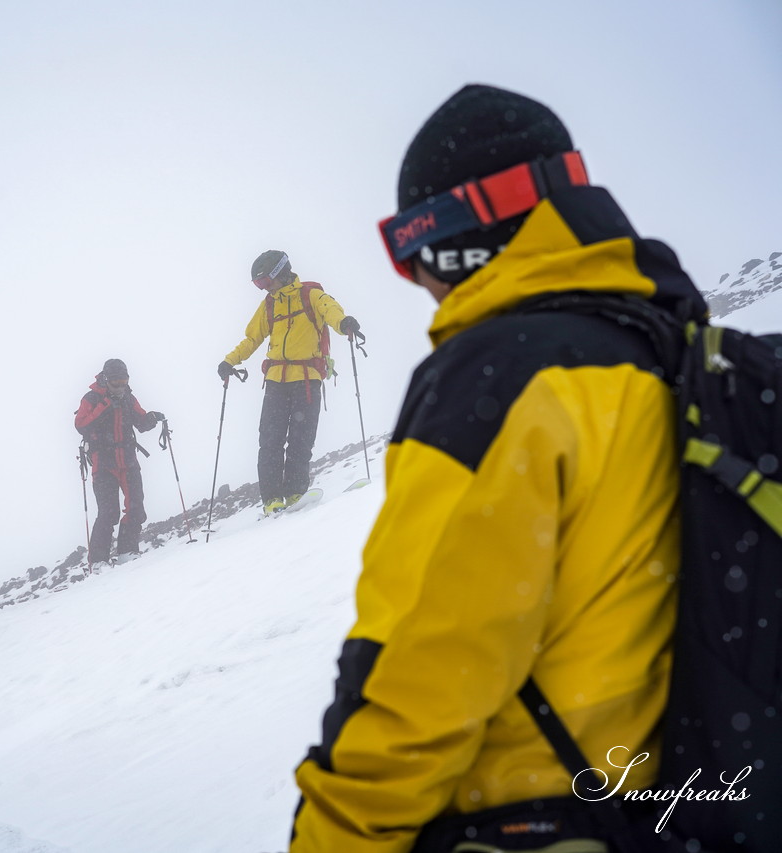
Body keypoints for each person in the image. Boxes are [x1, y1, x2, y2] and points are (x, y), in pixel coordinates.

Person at [290, 84, 708, 850]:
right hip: (666, 805)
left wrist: (334, 837)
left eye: (409, 253)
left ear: (453, 237)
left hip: (528, 818)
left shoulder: (497, 381)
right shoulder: (667, 347)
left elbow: (421, 671)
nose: (417, 282)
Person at [218, 251, 361, 515]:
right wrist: (229, 361)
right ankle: (272, 500)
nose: (264, 288)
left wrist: (344, 324)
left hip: (307, 380)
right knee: (270, 441)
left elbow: (331, 311)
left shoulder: (311, 295)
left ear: (280, 273)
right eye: (258, 284)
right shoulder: (269, 305)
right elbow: (252, 339)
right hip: (275, 382)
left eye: (264, 281)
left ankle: (295, 494)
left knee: (301, 440)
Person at [74, 358, 163, 568]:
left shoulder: (128, 398)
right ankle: (98, 561)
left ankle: (128, 553)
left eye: (125, 380)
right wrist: (104, 406)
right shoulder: (92, 397)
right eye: (117, 382)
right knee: (108, 513)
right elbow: (81, 425)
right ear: (106, 379)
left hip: (129, 461)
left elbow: (140, 421)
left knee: (136, 508)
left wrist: (151, 418)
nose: (121, 386)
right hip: (103, 464)